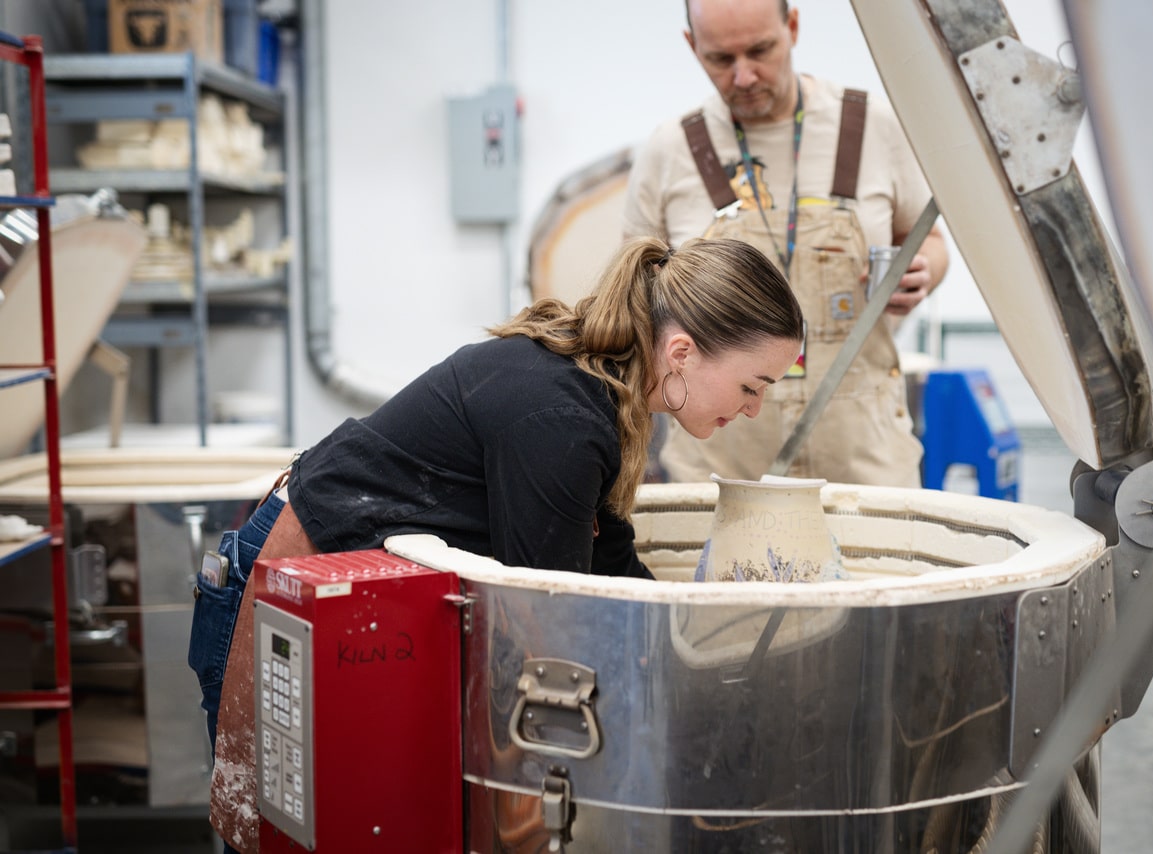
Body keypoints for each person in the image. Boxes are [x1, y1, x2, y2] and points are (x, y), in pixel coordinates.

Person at [186, 235, 804, 853]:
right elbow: (554, 628)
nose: (753, 409)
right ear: (681, 352)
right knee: (266, 829)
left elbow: (611, 569)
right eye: (753, 386)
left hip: (335, 584)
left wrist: (696, 660)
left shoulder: (599, 391)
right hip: (283, 583)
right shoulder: (562, 418)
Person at [622, 0, 950, 487]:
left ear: (792, 26)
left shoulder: (875, 128)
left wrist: (925, 267)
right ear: (692, 46)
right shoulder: (669, 151)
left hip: (862, 456)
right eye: (720, 59)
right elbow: (632, 295)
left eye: (760, 50)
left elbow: (932, 241)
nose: (745, 76)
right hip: (721, 462)